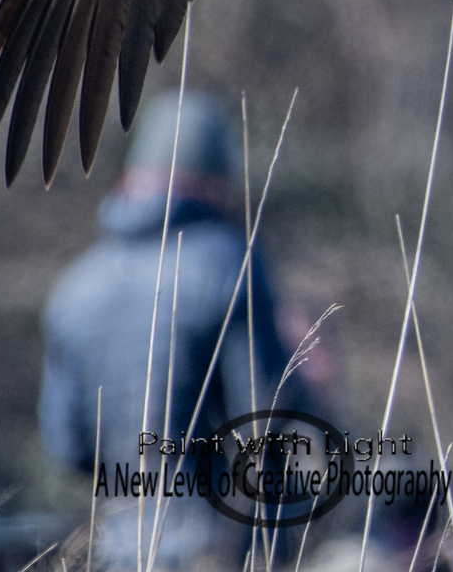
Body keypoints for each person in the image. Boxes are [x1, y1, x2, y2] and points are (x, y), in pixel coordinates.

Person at [39, 92, 309, 571]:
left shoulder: (73, 289)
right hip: (219, 548)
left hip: (120, 551)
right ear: (218, 179)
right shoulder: (231, 263)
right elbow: (265, 413)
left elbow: (68, 446)